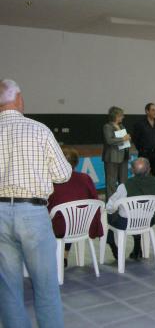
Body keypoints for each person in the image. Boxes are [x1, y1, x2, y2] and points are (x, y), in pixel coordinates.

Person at [0, 79, 72, 328]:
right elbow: (63, 174)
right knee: (45, 286)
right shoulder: (39, 130)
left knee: (8, 288)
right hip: (32, 214)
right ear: (19, 99)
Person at [48, 146, 103, 268]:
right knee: (70, 217)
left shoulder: (50, 181)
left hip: (59, 227)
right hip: (82, 225)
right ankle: (64, 256)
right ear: (76, 162)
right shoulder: (86, 178)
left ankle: (53, 257)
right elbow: (95, 200)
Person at [106, 157, 155, 260]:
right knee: (135, 215)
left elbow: (110, 207)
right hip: (148, 221)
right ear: (149, 169)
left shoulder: (124, 187)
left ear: (132, 170)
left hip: (126, 223)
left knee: (110, 214)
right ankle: (137, 245)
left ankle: (113, 245)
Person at [102, 106, 130, 200]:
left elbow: (124, 140)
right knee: (111, 181)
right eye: (121, 115)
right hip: (112, 157)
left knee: (124, 180)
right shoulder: (107, 126)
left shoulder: (122, 126)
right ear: (115, 116)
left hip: (123, 156)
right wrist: (123, 138)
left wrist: (127, 139)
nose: (123, 117)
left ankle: (123, 199)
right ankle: (111, 201)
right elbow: (109, 140)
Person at [132, 103, 155, 178]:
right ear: (147, 111)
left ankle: (154, 189)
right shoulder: (140, 124)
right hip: (144, 153)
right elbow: (135, 138)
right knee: (143, 175)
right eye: (153, 110)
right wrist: (141, 149)